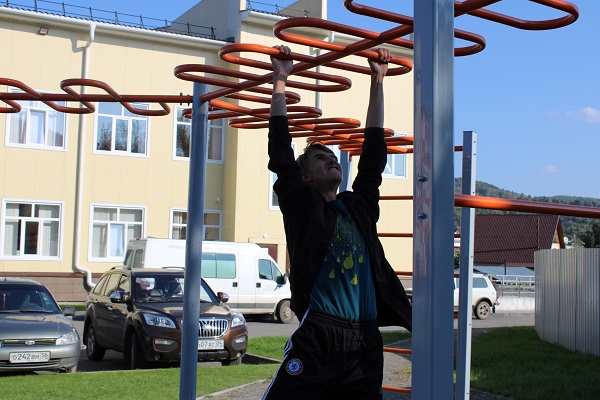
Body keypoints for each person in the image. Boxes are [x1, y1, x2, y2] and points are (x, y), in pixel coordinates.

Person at [263, 45, 413, 400]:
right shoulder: (302, 206)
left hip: (365, 340)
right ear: (306, 177)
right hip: (321, 333)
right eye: (320, 158)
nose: (331, 160)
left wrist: (378, 81)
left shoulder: (358, 208)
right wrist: (280, 79)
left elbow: (373, 157)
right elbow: (281, 151)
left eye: (333, 157)